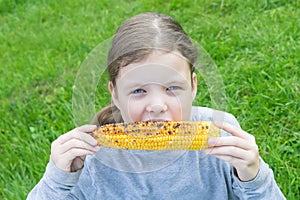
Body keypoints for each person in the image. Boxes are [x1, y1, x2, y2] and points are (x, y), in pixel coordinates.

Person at [27, 12, 285, 199]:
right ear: (114, 95)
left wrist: (253, 175)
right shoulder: (92, 157)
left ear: (193, 87)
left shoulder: (222, 133)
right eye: (138, 91)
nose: (157, 106)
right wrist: (58, 179)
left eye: (172, 88)